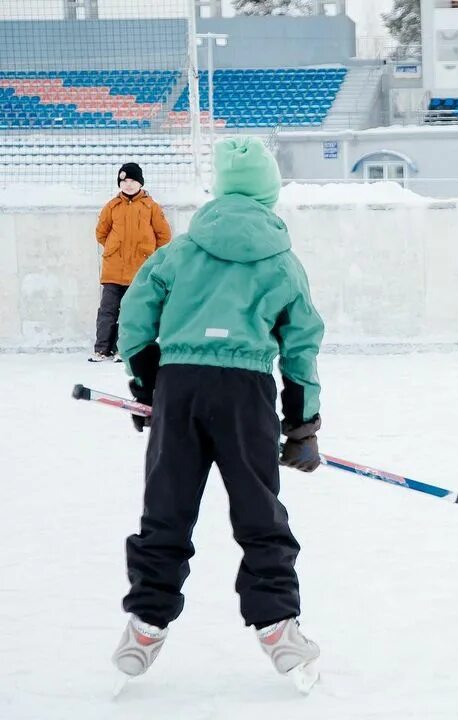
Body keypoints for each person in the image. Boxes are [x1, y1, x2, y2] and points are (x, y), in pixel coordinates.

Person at [111, 137, 325, 689]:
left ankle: (144, 625)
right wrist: (301, 424)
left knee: (167, 507)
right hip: (245, 392)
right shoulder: (281, 261)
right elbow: (300, 343)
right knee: (259, 511)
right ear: (269, 194)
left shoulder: (181, 250)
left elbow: (136, 307)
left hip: (180, 388)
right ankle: (278, 625)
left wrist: (148, 383)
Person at [91, 162, 171, 362]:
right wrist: (113, 249)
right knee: (107, 310)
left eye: (132, 180)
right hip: (113, 270)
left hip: (138, 271)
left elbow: (164, 236)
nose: (128, 185)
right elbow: (101, 233)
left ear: (140, 183)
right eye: (124, 181)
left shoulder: (150, 206)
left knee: (130, 312)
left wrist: (149, 256)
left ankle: (121, 349)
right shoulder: (112, 206)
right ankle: (102, 348)